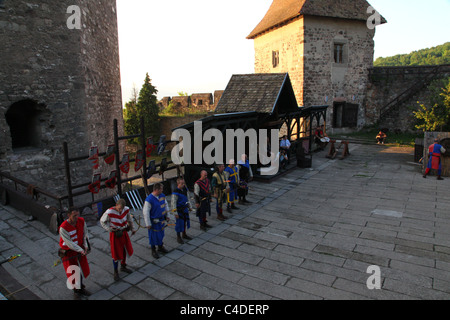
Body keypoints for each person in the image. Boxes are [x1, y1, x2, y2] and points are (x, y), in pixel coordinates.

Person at [58, 207, 91, 299]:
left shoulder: (81, 221)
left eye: (77, 215)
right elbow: (69, 243)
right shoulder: (63, 228)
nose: (77, 217)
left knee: (81, 269)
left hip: (79, 249)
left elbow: (85, 234)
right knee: (73, 271)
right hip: (69, 252)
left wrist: (86, 246)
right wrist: (80, 250)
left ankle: (81, 288)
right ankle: (76, 291)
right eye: (74, 215)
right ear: (68, 215)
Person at [100, 198, 136, 281]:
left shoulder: (126, 209)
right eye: (119, 208)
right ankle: (115, 271)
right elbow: (102, 221)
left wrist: (132, 228)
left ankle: (123, 266)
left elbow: (129, 219)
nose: (120, 210)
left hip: (123, 231)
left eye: (121, 209)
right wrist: (109, 229)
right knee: (115, 253)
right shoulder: (109, 212)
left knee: (124, 249)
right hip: (115, 233)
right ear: (116, 205)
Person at [143, 183, 170, 259]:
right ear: (157, 190)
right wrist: (148, 223)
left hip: (161, 220)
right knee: (153, 236)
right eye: (161, 189)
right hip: (153, 222)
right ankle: (153, 249)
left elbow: (166, 205)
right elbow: (146, 212)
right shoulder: (149, 200)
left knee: (161, 234)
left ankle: (160, 247)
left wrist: (168, 215)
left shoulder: (162, 196)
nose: (162, 190)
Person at [171, 177, 193, 243]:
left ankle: (184, 234)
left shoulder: (185, 189)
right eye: (181, 183)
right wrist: (175, 213)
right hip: (179, 210)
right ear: (178, 183)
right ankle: (178, 236)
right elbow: (173, 203)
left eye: (183, 183)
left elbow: (188, 198)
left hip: (185, 209)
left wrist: (190, 206)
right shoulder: (175, 192)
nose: (183, 184)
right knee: (179, 224)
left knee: (185, 222)